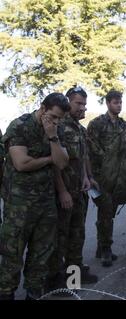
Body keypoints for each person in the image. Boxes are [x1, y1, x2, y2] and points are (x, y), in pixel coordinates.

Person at [0, 93, 70, 300]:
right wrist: (50, 158)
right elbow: (22, 164)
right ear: (42, 108)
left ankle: (33, 293)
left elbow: (63, 163)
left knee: (41, 254)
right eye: (53, 116)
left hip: (46, 202)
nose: (56, 121)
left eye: (59, 119)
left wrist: (52, 136)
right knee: (12, 254)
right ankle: (6, 293)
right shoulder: (20, 126)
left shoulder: (55, 131)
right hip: (19, 204)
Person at [47, 87, 98, 290]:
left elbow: (83, 156)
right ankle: (56, 282)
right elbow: (55, 162)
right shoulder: (58, 127)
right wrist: (62, 191)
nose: (82, 107)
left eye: (84, 104)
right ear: (68, 102)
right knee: (61, 238)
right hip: (65, 194)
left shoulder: (79, 128)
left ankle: (73, 280)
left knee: (77, 237)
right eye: (78, 103)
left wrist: (88, 177)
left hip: (79, 192)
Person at [87, 90, 126, 267]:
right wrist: (107, 160)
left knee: (109, 212)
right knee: (105, 212)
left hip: (117, 178)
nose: (118, 105)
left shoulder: (124, 125)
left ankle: (100, 246)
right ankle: (106, 249)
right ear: (108, 103)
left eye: (120, 102)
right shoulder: (96, 124)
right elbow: (90, 147)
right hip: (100, 177)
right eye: (115, 102)